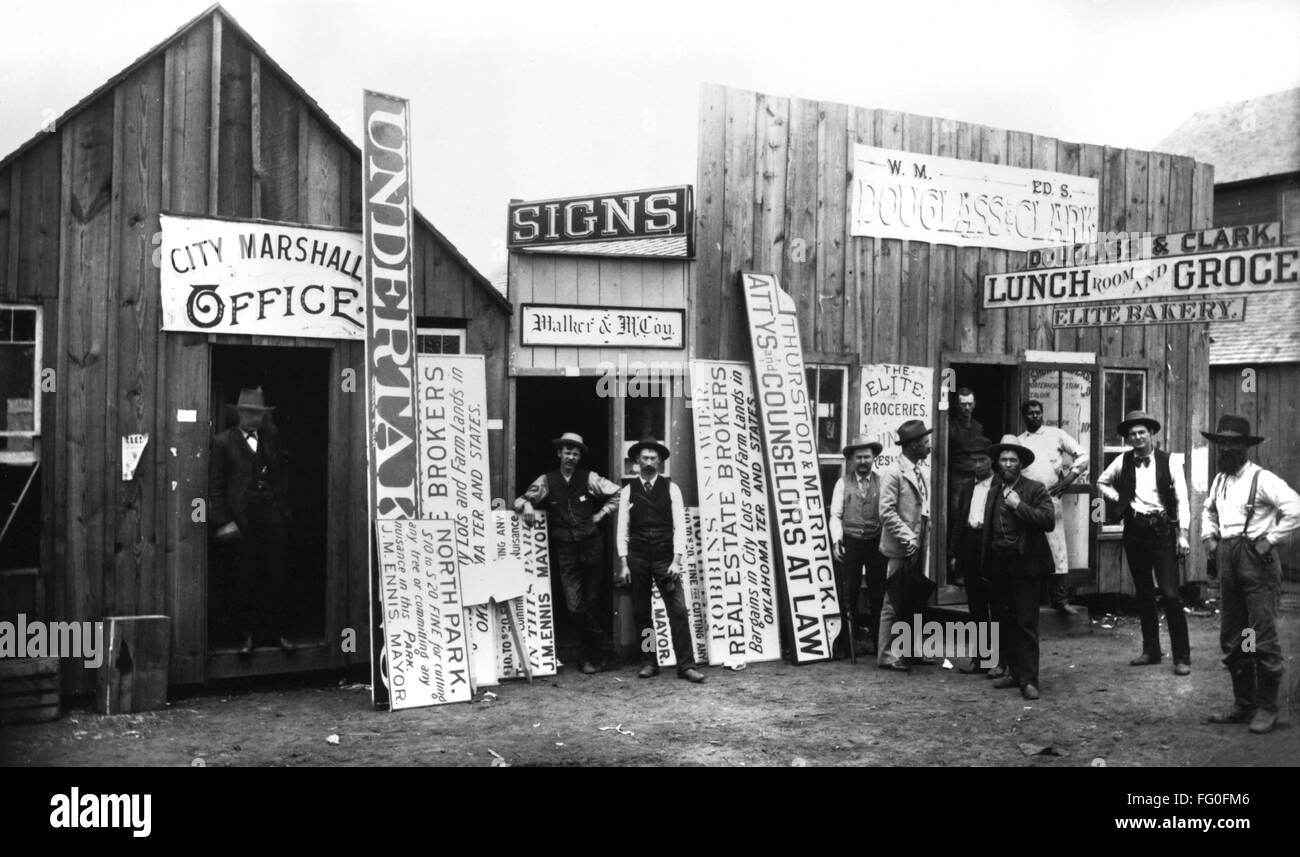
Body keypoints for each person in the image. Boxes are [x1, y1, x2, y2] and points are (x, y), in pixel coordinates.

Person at [1200, 415, 1300, 734]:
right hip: (1229, 560)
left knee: (1261, 634)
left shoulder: (1263, 479)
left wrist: (1270, 540)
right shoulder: (1220, 479)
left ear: (1245, 447)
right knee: (1237, 635)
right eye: (1222, 442)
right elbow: (1208, 510)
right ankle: (1244, 704)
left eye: (1233, 442)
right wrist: (1209, 538)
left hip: (1256, 563)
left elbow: (1295, 510)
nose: (1226, 448)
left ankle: (1268, 708)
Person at [515, 432, 622, 674]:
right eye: (567, 452)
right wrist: (530, 504)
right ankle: (606, 646)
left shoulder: (590, 478)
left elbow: (619, 493)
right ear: (559, 453)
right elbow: (519, 500)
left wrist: (602, 513)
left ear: (579, 456)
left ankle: (587, 658)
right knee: (575, 606)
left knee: (592, 604)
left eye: (575, 453)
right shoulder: (546, 480)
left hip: (592, 545)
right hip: (566, 549)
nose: (571, 457)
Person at [1096, 410, 1192, 674]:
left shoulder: (1170, 461)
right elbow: (1101, 482)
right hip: (1134, 531)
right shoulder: (1123, 460)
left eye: (1142, 433)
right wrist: (1120, 499)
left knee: (1171, 595)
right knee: (1144, 594)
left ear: (1151, 435)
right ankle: (1151, 651)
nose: (1137, 437)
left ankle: (1182, 657)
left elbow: (1182, 499)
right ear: (1128, 438)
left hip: (1161, 531)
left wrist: (1182, 533)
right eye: (1132, 434)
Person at [209, 387, 293, 655]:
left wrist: (282, 510)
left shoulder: (272, 436)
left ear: (263, 416)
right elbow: (214, 487)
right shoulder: (222, 442)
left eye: (257, 413)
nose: (251, 417)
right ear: (238, 413)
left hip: (271, 516)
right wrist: (224, 521)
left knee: (276, 574)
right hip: (242, 520)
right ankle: (247, 637)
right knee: (244, 578)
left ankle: (277, 633)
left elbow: (281, 472)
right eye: (247, 412)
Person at [614, 437, 705, 683]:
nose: (650, 462)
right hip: (639, 558)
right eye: (645, 458)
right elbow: (623, 528)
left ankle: (685, 665)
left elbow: (680, 528)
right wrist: (624, 562)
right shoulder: (628, 491)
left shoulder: (671, 489)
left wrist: (676, 560)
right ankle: (648, 662)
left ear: (661, 462)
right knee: (642, 613)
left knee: (678, 611)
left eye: (654, 458)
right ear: (636, 461)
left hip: (666, 558)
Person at [982, 435, 1056, 700]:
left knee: (1026, 623)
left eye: (1013, 460)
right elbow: (989, 529)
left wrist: (1019, 506)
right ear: (998, 464)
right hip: (999, 565)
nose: (1008, 464)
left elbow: (1048, 521)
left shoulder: (1035, 489)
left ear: (1021, 463)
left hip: (1026, 565)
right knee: (1005, 620)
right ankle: (1013, 673)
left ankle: (1029, 680)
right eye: (1004, 460)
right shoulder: (993, 490)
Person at [1017, 399, 1088, 615]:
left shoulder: (1056, 434)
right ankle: (1032, 600)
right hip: (1027, 501)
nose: (1035, 416)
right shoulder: (1019, 441)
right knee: (1029, 549)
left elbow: (1082, 456)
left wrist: (1067, 481)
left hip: (1050, 499)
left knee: (1057, 549)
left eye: (1038, 413)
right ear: (1024, 416)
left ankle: (1059, 599)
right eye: (1030, 413)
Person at [876, 420, 933, 672]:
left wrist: (920, 540)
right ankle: (886, 655)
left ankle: (910, 651)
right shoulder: (893, 472)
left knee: (913, 598)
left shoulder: (919, 470)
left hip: (918, 544)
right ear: (913, 445)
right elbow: (886, 513)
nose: (929, 446)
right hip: (902, 546)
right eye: (925, 443)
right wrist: (908, 537)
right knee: (893, 600)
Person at [830, 435, 887, 657]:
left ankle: (878, 645)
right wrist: (837, 541)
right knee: (849, 593)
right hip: (851, 543)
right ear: (851, 460)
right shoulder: (842, 483)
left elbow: (887, 514)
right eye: (859, 457)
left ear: (873, 458)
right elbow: (835, 515)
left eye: (867, 457)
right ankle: (845, 644)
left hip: (876, 543)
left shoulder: (883, 482)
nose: (863, 461)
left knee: (877, 594)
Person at [947, 435, 994, 670]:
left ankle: (997, 658)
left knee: (994, 603)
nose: (977, 465)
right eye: (973, 460)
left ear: (991, 460)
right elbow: (959, 521)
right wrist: (954, 554)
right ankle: (980, 658)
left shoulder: (998, 486)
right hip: (970, 544)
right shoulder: (967, 487)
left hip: (992, 547)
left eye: (981, 460)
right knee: (975, 604)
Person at [947, 388, 986, 581]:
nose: (967, 408)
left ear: (975, 405)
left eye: (970, 404)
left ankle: (972, 570)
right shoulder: (950, 426)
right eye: (963, 404)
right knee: (958, 519)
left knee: (975, 519)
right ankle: (956, 570)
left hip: (976, 479)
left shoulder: (978, 427)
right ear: (957, 405)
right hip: (957, 478)